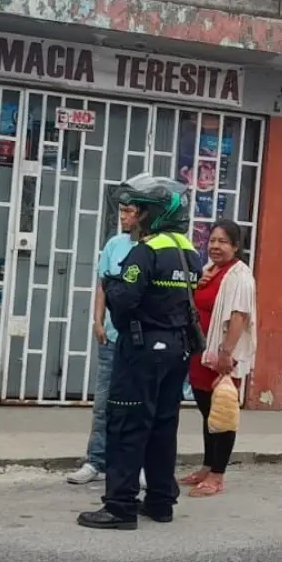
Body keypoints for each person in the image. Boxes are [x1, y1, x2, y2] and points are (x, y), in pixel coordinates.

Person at [76, 173, 202, 531]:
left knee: (126, 426)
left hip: (142, 350)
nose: (127, 217)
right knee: (163, 427)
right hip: (177, 350)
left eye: (134, 210)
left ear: (152, 214)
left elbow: (124, 303)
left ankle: (120, 507)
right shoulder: (189, 252)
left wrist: (114, 284)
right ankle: (161, 501)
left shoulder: (144, 252)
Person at [179, 219, 257, 498]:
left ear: (236, 246)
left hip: (222, 356)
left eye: (223, 241)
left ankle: (217, 475)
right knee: (207, 412)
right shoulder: (211, 271)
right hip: (202, 353)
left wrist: (226, 354)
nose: (215, 246)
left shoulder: (239, 275)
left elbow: (239, 316)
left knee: (222, 415)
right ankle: (207, 466)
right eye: (212, 240)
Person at [66, 202, 137, 486]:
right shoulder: (114, 245)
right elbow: (102, 286)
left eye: (129, 211)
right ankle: (96, 460)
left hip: (139, 340)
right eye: (121, 211)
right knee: (103, 403)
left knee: (137, 406)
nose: (123, 217)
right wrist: (97, 320)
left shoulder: (154, 247)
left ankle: (134, 463)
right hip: (111, 337)